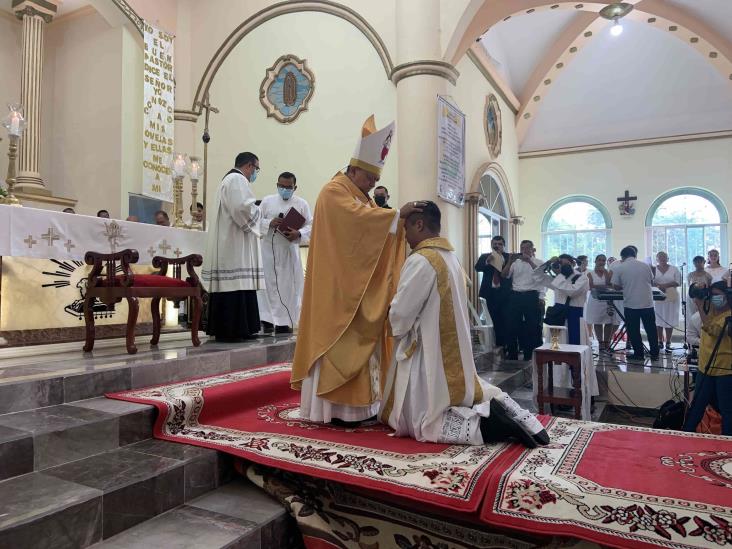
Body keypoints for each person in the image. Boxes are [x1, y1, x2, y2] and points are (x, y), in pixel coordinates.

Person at [380, 202, 549, 448]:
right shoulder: (450, 258)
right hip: (452, 346)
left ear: (419, 224)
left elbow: (403, 311)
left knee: (419, 419)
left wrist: (388, 313)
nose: (405, 236)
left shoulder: (420, 260)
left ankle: (490, 426)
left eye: (406, 228)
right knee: (461, 392)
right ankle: (509, 410)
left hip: (428, 349)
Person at [291, 115, 422, 425]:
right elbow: (361, 225)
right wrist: (395, 217)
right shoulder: (334, 192)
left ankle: (361, 406)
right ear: (354, 170)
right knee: (338, 339)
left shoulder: (358, 195)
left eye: (375, 181)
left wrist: (395, 221)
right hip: (336, 286)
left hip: (355, 282)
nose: (373, 185)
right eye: (369, 179)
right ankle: (333, 409)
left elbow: (375, 225)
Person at [202, 152, 264, 341]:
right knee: (235, 284)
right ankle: (232, 330)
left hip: (231, 240)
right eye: (256, 169)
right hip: (233, 243)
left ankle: (240, 329)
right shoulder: (237, 179)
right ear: (249, 166)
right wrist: (259, 211)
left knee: (238, 285)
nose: (255, 174)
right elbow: (241, 208)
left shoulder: (227, 180)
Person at [257, 171, 312, 335]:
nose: (285, 189)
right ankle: (266, 321)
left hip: (288, 251)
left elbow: (311, 224)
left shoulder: (302, 204)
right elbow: (255, 221)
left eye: (289, 187)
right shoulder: (267, 201)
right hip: (268, 250)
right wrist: (269, 223)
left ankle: (284, 322)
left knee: (287, 287)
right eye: (282, 186)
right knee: (267, 286)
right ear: (277, 185)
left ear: (295, 187)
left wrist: (299, 233)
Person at [682, 281, 732, 435]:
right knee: (697, 405)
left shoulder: (729, 316)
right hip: (705, 367)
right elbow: (694, 293)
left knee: (727, 409)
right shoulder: (711, 310)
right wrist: (699, 288)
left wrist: (699, 308)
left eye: (718, 295)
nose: (714, 298)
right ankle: (686, 434)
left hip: (725, 369)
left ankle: (727, 442)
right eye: (713, 295)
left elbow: (713, 330)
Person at [611, 245, 659, 361]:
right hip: (647, 303)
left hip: (631, 304)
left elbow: (616, 286)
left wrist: (625, 284)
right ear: (635, 255)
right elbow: (651, 280)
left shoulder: (620, 268)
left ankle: (639, 354)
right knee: (651, 329)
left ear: (622, 256)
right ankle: (654, 354)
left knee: (634, 330)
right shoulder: (645, 266)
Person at [502, 240, 543, 361]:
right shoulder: (516, 263)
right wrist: (510, 261)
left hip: (531, 296)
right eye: (522, 248)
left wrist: (529, 261)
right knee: (512, 324)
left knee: (532, 326)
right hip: (516, 296)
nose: (524, 250)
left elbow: (541, 277)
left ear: (532, 249)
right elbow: (504, 275)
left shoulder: (539, 262)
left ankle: (529, 353)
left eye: (527, 248)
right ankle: (512, 353)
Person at [474, 236, 511, 353]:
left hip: (504, 293)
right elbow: (477, 268)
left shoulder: (509, 257)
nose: (497, 246)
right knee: (492, 319)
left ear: (503, 245)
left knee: (505, 318)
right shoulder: (485, 256)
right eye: (495, 244)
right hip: (489, 293)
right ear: (491, 245)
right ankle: (495, 344)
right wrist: (487, 261)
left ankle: (504, 344)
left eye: (500, 244)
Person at [546, 254, 589, 345]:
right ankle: (556, 358)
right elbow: (537, 277)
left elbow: (572, 292)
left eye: (566, 264)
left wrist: (560, 276)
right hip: (558, 312)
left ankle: (573, 358)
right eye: (560, 263)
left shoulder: (582, 278)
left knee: (575, 342)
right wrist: (549, 263)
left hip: (574, 312)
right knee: (556, 344)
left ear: (573, 263)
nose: (563, 266)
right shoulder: (557, 277)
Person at [585, 254, 615, 351]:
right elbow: (591, 286)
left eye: (603, 260)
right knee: (597, 321)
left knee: (608, 321)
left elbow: (610, 285)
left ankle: (607, 342)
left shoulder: (607, 272)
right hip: (595, 300)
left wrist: (603, 285)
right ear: (595, 261)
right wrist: (603, 287)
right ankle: (600, 342)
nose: (601, 262)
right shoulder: (590, 274)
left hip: (607, 299)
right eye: (600, 260)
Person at [652, 251, 681, 353]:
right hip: (658, 295)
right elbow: (650, 282)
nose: (662, 258)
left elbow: (678, 282)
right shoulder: (653, 269)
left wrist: (664, 285)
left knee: (670, 318)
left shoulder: (674, 269)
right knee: (658, 318)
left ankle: (668, 341)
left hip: (671, 294)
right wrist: (659, 286)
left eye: (664, 257)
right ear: (657, 259)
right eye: (660, 257)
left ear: (668, 258)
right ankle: (660, 341)